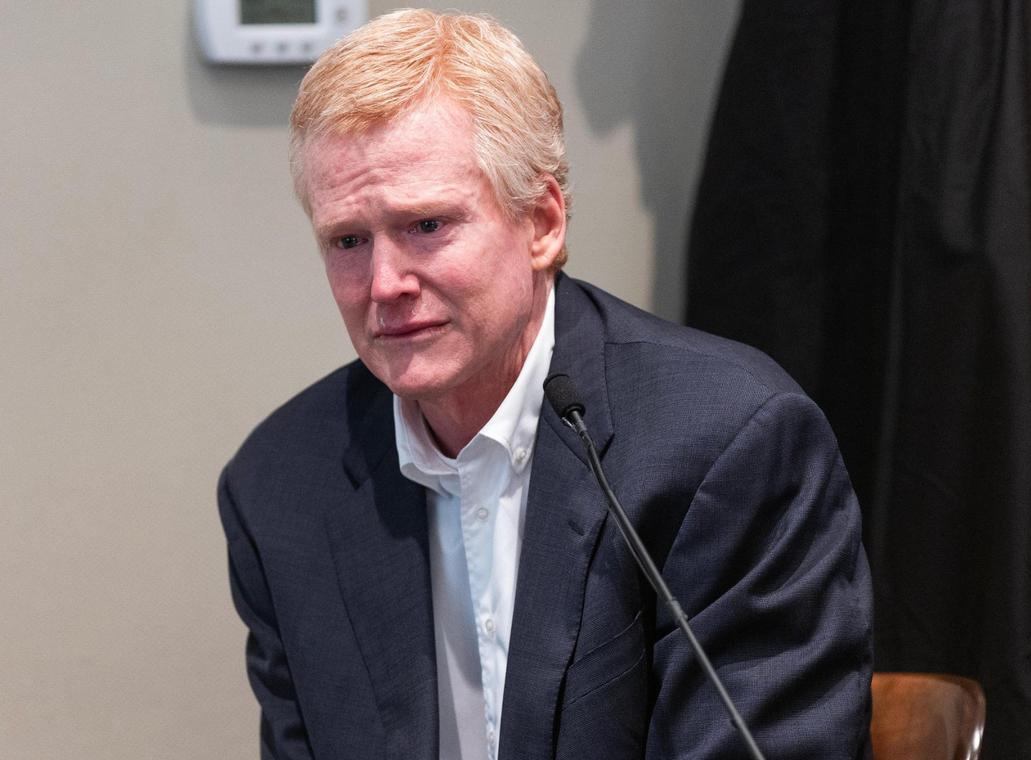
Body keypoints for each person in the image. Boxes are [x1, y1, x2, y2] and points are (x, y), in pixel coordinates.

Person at [219, 9, 873, 759]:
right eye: (348, 240)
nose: (385, 283)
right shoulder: (280, 489)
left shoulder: (730, 445)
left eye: (427, 225)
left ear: (542, 223)